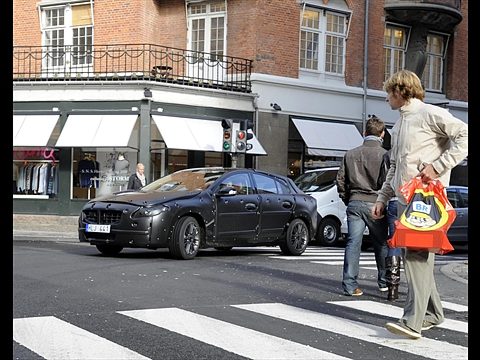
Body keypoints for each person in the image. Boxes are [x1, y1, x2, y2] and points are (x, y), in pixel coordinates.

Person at [372, 69, 468, 339]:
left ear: (401, 91)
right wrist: (382, 198)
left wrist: (437, 167)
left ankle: (413, 322)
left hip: (426, 200)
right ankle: (434, 313)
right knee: (418, 259)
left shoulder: (428, 114)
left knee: (416, 258)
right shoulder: (399, 123)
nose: (387, 97)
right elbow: (395, 166)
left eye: (389, 92)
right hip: (406, 200)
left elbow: (465, 136)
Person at [336, 115, 389, 297]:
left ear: (364, 132)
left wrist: (348, 199)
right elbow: (387, 182)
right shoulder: (384, 155)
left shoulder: (350, 154)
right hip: (376, 203)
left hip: (355, 202)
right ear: (382, 134)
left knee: (353, 244)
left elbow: (340, 181)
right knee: (381, 244)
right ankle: (384, 282)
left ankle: (350, 285)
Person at [384, 149, 402, 302]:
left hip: (393, 200)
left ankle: (392, 288)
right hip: (412, 200)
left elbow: (384, 180)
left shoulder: (388, 155)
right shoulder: (417, 149)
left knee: (394, 243)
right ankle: (417, 290)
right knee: (416, 245)